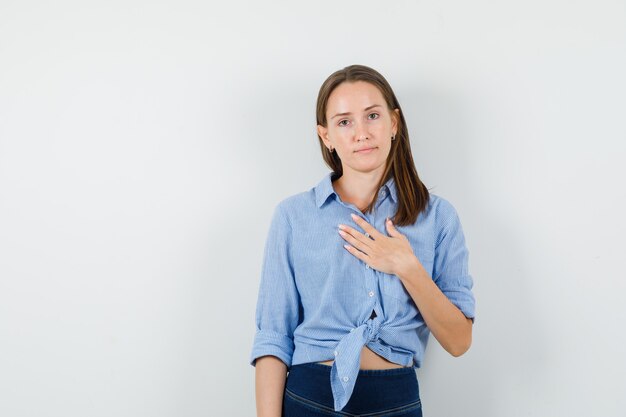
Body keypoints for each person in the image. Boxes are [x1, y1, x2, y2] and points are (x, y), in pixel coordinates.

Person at [250, 64, 476, 417]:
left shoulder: (438, 217)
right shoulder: (293, 216)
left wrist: (406, 266)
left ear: (394, 123)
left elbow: (459, 341)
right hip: (310, 397)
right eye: (344, 122)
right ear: (326, 137)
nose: (361, 132)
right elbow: (273, 337)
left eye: (372, 115)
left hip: (396, 401)